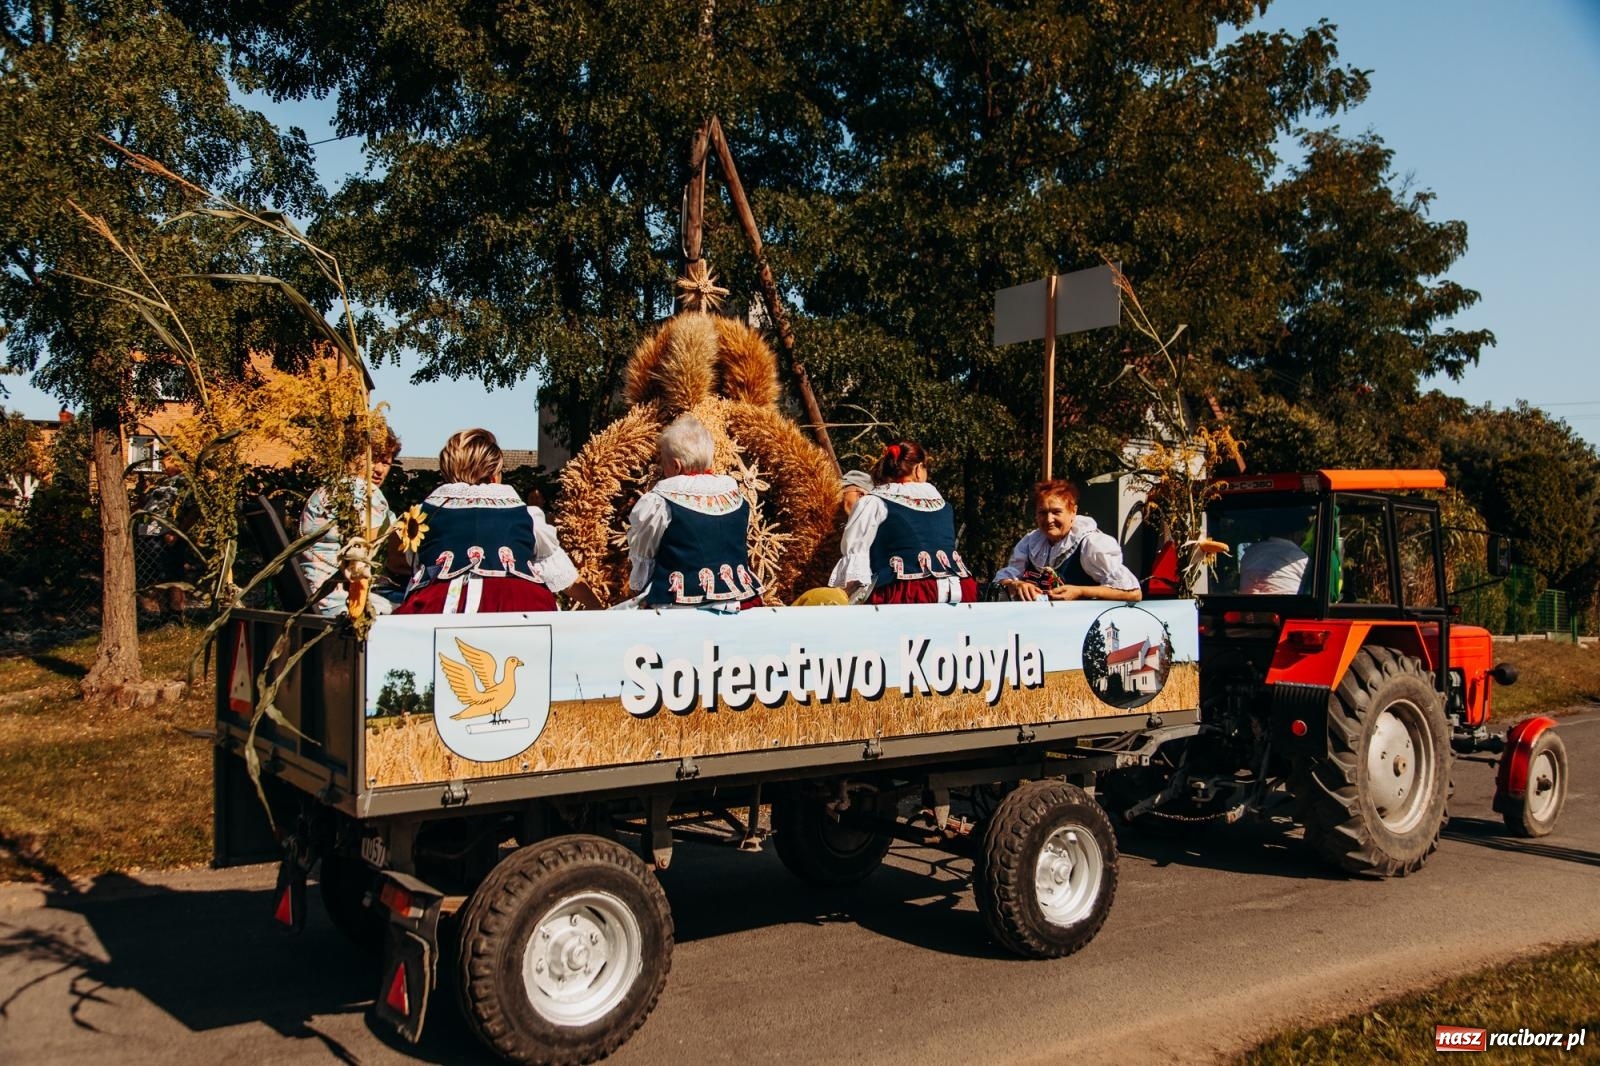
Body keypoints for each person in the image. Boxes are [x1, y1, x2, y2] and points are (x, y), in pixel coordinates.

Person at [394, 428, 579, 614]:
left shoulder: (421, 518)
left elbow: (413, 563)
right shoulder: (526, 516)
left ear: (446, 472)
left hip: (437, 611)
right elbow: (564, 575)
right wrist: (598, 608)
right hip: (520, 609)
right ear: (495, 475)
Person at [625, 413, 763, 611]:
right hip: (741, 603)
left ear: (676, 465)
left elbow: (643, 555)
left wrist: (640, 589)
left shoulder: (661, 500)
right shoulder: (734, 493)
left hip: (680, 609)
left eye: (663, 462)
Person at [830, 440, 976, 604]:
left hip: (907, 593)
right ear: (918, 469)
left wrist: (847, 599)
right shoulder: (943, 505)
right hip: (960, 592)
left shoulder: (873, 502)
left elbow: (856, 559)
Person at [298, 427, 401, 616]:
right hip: (340, 601)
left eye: (386, 462)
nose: (379, 469)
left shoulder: (329, 489)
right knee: (415, 609)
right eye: (373, 459)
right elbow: (387, 549)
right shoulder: (359, 490)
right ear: (352, 456)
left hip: (313, 597)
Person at [993, 480, 1142, 602]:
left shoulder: (1090, 544)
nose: (1049, 520)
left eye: (1056, 512)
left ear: (1073, 512)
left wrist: (1080, 591)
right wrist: (1015, 584)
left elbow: (1133, 593)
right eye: (1042, 513)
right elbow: (1001, 581)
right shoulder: (1030, 543)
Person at [1237, 519, 1310, 595]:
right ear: (1296, 534)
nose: (1303, 538)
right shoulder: (1302, 557)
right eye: (1302, 534)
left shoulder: (1249, 553)